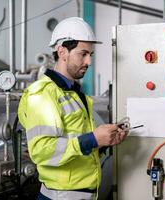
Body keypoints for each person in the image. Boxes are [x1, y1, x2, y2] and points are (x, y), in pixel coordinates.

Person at [18, 17, 127, 200]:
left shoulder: (75, 94)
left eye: (89, 55)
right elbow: (41, 151)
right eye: (82, 54)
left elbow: (77, 147)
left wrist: (103, 141)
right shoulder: (42, 93)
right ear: (62, 52)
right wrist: (92, 138)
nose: (88, 62)